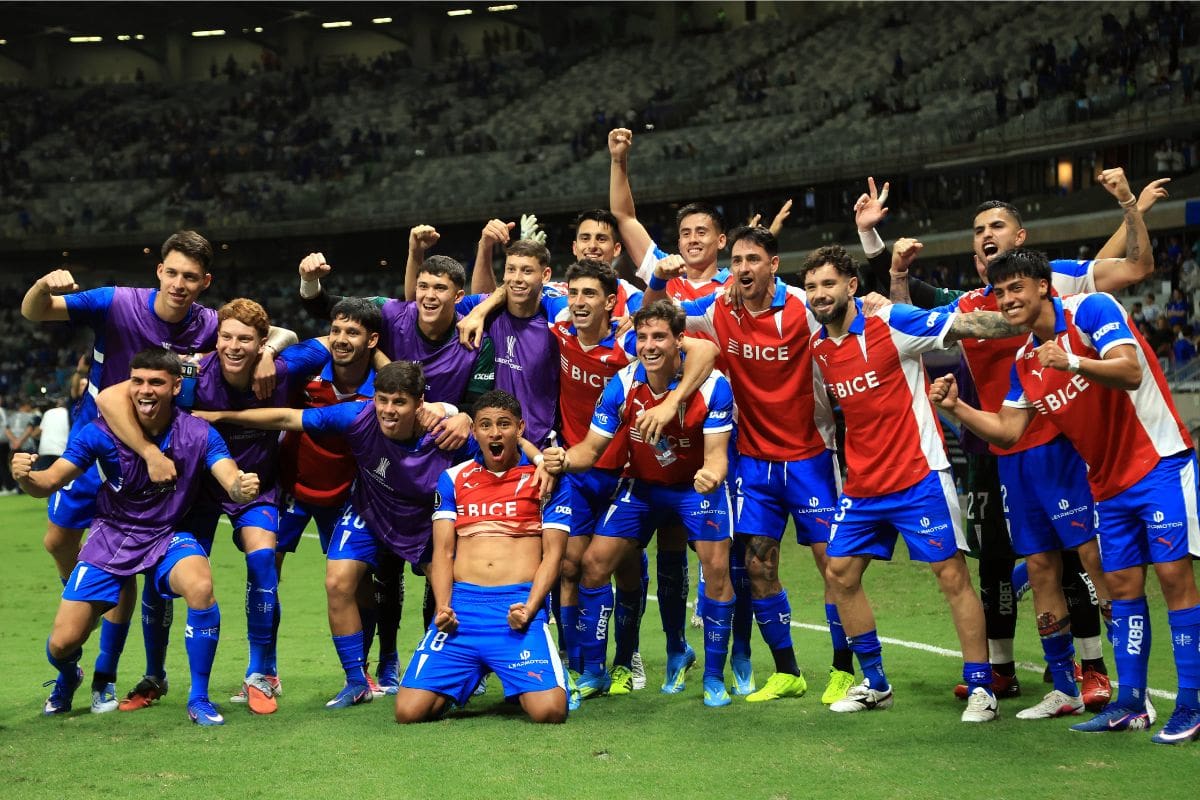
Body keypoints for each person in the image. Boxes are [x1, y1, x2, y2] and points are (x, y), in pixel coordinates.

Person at [867, 171, 1164, 708]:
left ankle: (1121, 680)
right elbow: (912, 328)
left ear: (1019, 238)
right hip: (1008, 450)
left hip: (1063, 446)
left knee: (1094, 561)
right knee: (1043, 566)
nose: (986, 233)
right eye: (978, 228)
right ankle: (1064, 686)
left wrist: (1128, 207)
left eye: (997, 224)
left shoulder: (1051, 282)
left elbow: (1131, 266)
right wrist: (888, 279)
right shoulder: (970, 303)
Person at [930, 247, 1200, 744]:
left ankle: (1190, 703)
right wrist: (955, 408)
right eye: (1002, 291)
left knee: (1174, 577)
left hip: (1159, 460)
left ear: (1043, 288)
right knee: (1121, 588)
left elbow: (1131, 370)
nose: (1008, 299)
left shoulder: (1093, 310)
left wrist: (1072, 361)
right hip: (1108, 483)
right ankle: (1129, 704)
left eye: (1017, 289)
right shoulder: (1026, 361)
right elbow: (1008, 431)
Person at [19, 231, 294, 713]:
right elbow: (35, 314)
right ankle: (85, 610)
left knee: (161, 573)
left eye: (191, 277)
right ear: (159, 271)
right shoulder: (116, 302)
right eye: (173, 272)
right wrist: (44, 286)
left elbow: (261, 333)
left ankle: (119, 672)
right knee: (56, 542)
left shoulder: (209, 323)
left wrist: (269, 350)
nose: (180, 284)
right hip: (103, 449)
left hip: (166, 461)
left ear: (204, 282)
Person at [802, 243, 1025, 723]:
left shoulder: (892, 323)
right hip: (863, 486)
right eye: (812, 287)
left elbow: (966, 326)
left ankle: (982, 688)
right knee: (839, 574)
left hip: (918, 475)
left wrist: (1033, 318)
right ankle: (876, 683)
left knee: (952, 578)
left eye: (828, 284)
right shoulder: (819, 347)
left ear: (851, 286)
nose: (819, 295)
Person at [190, 361, 466, 710]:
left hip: (423, 522)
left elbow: (497, 448)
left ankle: (463, 674)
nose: (388, 410)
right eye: (382, 400)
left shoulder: (446, 434)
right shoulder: (357, 415)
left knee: (457, 597)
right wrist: (221, 417)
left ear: (419, 403)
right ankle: (356, 681)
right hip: (371, 512)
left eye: (399, 402)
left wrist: (465, 417)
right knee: (337, 581)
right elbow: (287, 419)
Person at [97, 299, 327, 715]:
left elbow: (326, 341)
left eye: (246, 339)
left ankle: (261, 672)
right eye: (226, 336)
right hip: (194, 492)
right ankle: (155, 674)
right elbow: (118, 395)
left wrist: (274, 352)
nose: (234, 346)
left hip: (253, 487)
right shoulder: (191, 374)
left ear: (261, 342)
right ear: (215, 338)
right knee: (160, 576)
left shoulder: (283, 368)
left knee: (263, 560)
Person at [12, 348, 260, 726]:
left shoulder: (197, 433)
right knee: (62, 645)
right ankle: (69, 676)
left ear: (176, 386)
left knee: (200, 586)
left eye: (156, 382)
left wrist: (240, 487)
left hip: (167, 534)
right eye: (138, 381)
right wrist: (25, 477)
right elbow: (49, 482)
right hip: (111, 536)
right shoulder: (101, 433)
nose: (145, 391)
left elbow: (228, 475)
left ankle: (199, 698)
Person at [542, 301, 737, 708]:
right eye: (643, 337)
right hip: (643, 487)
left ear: (679, 341)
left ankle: (714, 677)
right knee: (593, 566)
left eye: (660, 337)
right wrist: (563, 458)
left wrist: (712, 475)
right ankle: (594, 671)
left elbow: (717, 456)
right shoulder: (623, 383)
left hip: (693, 489)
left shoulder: (713, 386)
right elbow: (592, 449)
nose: (649, 346)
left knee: (716, 569)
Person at [394, 390, 571, 724]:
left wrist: (531, 609)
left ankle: (519, 675)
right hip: (463, 610)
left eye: (504, 424)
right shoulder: (453, 479)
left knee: (549, 711)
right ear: (474, 432)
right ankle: (473, 671)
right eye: (486, 425)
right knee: (409, 712)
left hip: (516, 609)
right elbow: (444, 552)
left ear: (520, 428)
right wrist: (443, 607)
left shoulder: (546, 479)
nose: (495, 433)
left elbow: (553, 557)